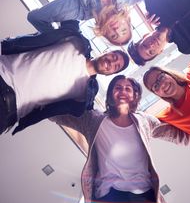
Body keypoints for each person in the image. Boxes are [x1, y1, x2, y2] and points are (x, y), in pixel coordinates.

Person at [51, 75, 190, 203]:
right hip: (108, 199)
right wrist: (31, 107)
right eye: (117, 87)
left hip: (145, 198)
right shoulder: (94, 119)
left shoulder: (145, 121)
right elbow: (58, 115)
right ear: (110, 95)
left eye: (128, 88)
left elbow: (180, 136)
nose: (122, 91)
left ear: (135, 96)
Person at [0, 28, 129, 135]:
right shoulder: (76, 41)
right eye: (114, 56)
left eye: (116, 66)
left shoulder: (84, 96)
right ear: (106, 51)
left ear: (110, 74)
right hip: (3, 71)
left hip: (8, 108)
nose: (112, 62)